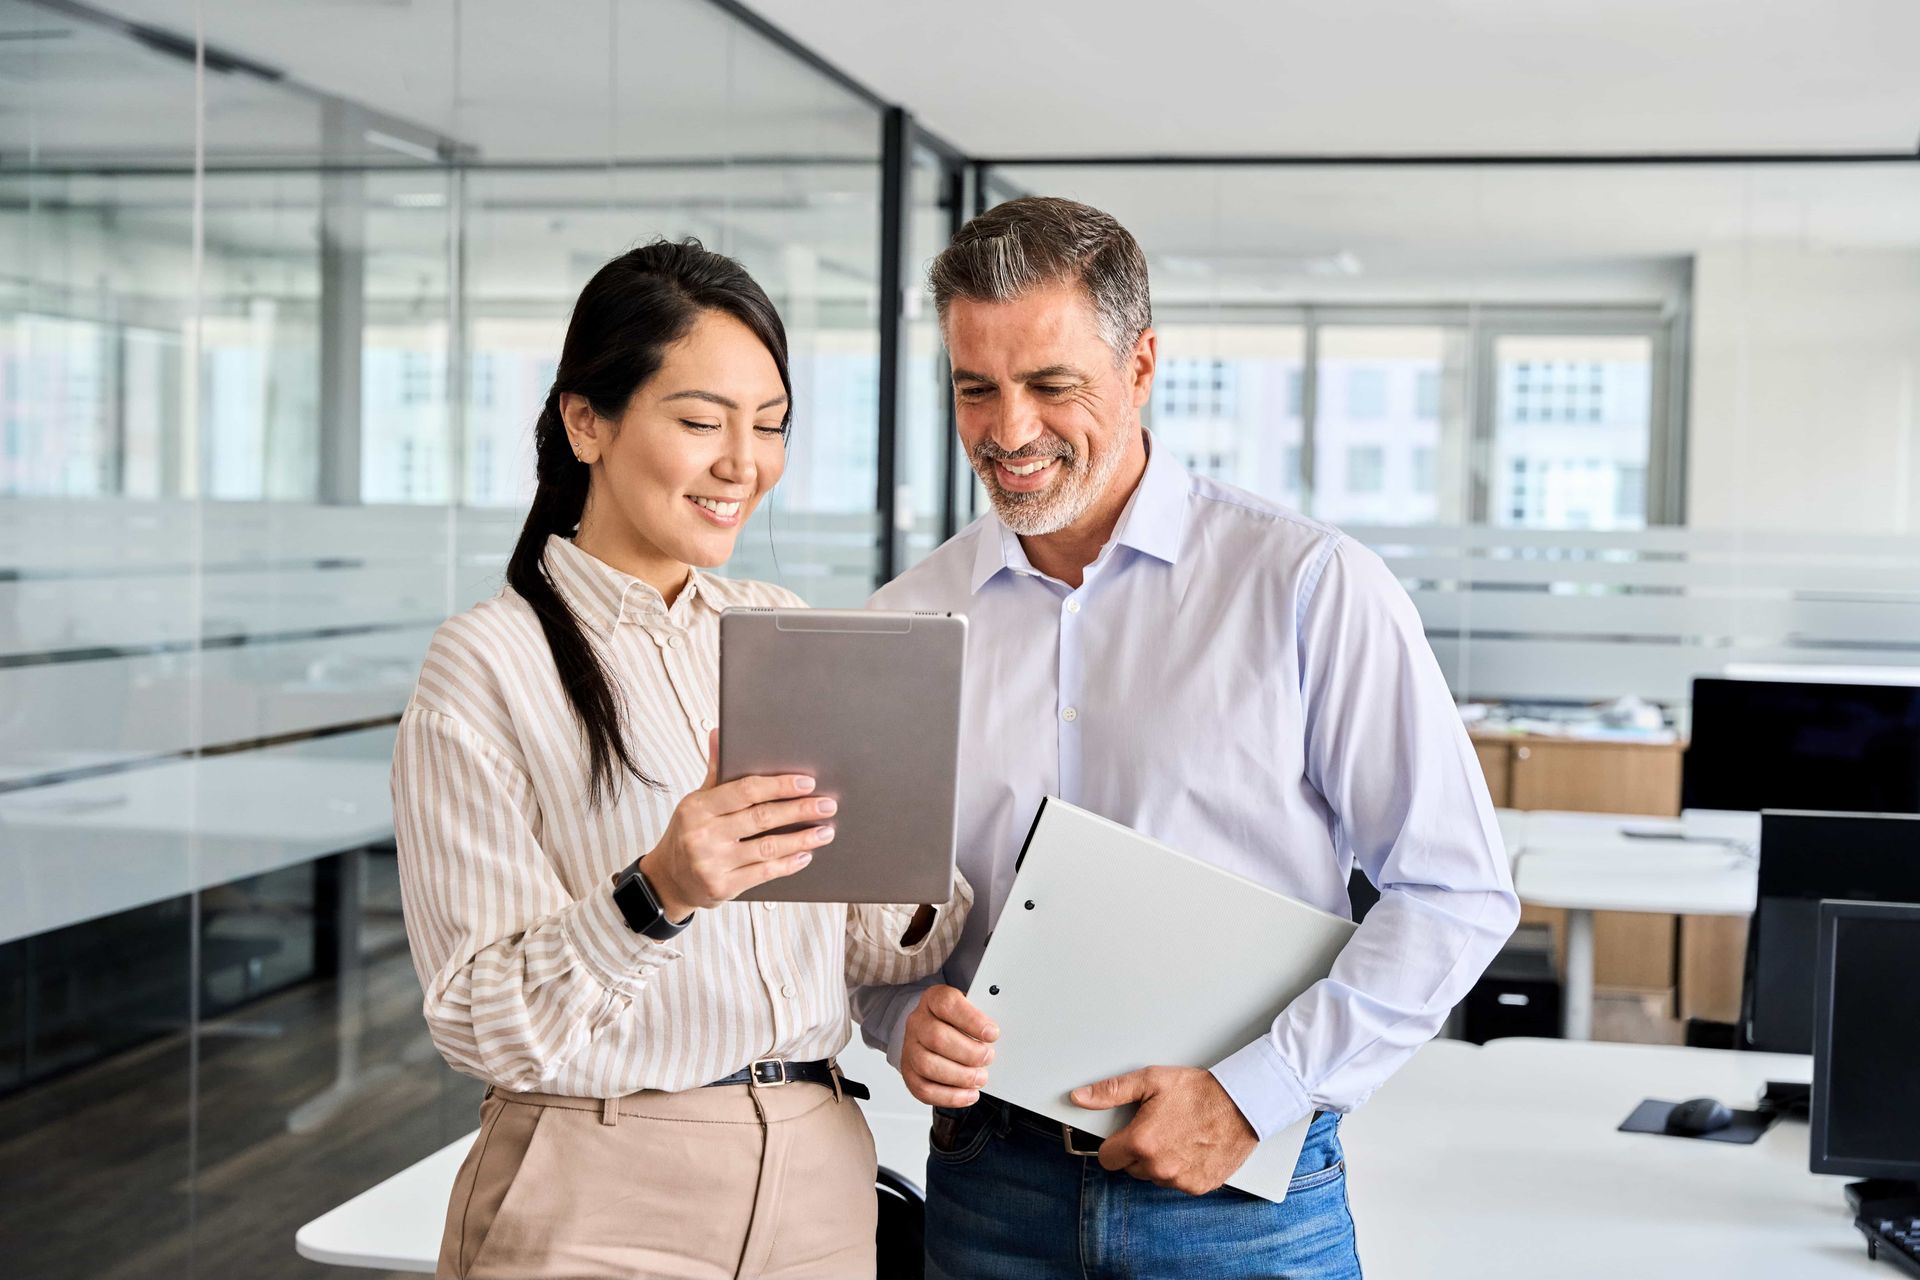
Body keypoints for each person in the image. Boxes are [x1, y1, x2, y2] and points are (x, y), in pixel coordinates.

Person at [855, 198, 1519, 1278]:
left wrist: (1262, 1091)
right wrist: (896, 1014)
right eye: (977, 388)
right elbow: (875, 919)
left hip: (1243, 1193)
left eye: (1052, 384)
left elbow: (1455, 889)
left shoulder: (1306, 584)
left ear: (1144, 361)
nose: (1009, 429)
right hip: (990, 1186)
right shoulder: (907, 623)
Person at [393, 240, 971, 1280]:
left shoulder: (783, 629)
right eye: (702, 421)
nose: (742, 462)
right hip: (599, 1181)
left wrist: (911, 856)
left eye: (771, 425)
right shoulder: (486, 661)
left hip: (819, 1174)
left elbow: (879, 947)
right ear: (588, 422)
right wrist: (658, 891)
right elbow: (479, 1021)